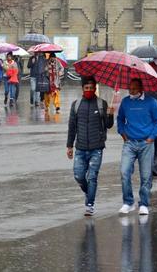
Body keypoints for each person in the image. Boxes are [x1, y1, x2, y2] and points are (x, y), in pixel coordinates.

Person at [66, 76, 114, 216]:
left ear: (95, 89)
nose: (89, 90)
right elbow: (72, 127)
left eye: (92, 88)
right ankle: (89, 192)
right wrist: (69, 146)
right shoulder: (76, 105)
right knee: (78, 175)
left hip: (96, 148)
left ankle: (90, 205)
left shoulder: (102, 104)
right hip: (80, 148)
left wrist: (110, 115)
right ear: (82, 89)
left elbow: (108, 125)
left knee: (92, 177)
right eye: (86, 88)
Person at [117, 78, 157, 215]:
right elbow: (120, 119)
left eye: (135, 88)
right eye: (130, 88)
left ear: (141, 89)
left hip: (146, 143)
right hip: (129, 143)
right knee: (124, 172)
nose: (131, 91)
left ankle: (144, 203)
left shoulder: (151, 102)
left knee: (146, 175)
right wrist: (123, 134)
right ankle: (128, 202)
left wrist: (152, 137)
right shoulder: (125, 102)